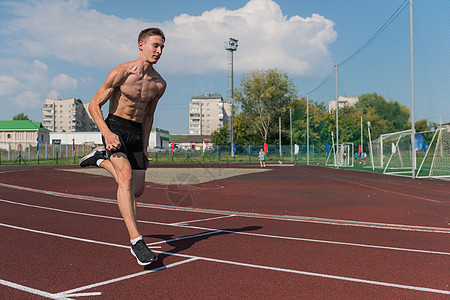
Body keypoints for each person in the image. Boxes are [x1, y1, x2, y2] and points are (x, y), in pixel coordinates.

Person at [79, 28, 166, 266]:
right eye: (155, 45)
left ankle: (99, 159)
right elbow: (94, 105)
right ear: (141, 45)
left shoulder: (159, 84)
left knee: (136, 190)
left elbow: (149, 117)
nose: (158, 51)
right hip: (115, 127)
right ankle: (137, 242)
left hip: (137, 133)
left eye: (161, 48)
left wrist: (145, 147)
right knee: (125, 178)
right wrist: (106, 133)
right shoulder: (121, 73)